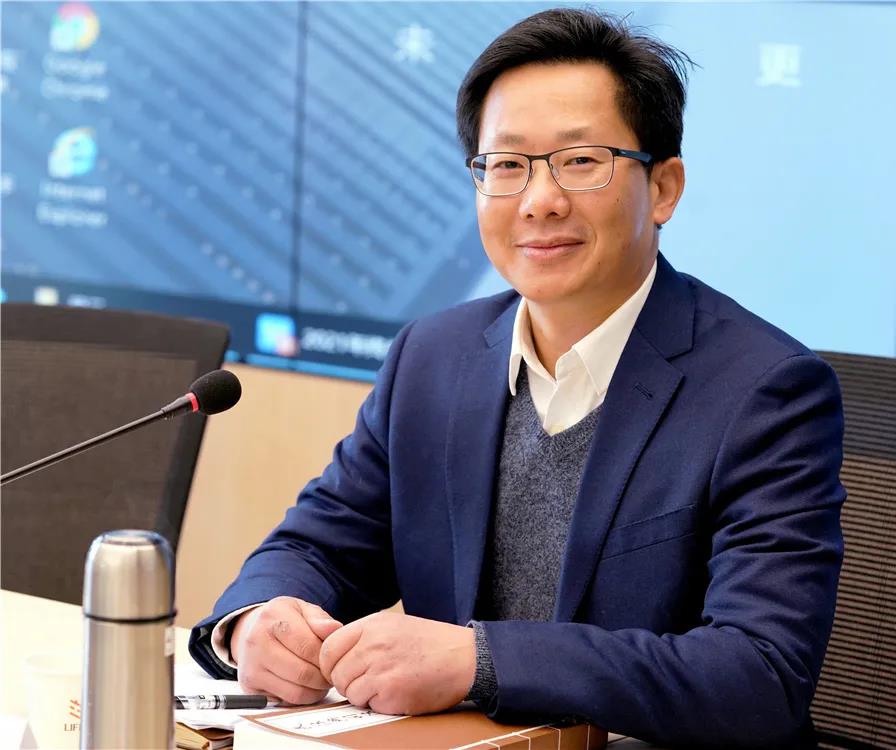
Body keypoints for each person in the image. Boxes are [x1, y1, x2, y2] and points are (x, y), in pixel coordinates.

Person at [189, 8, 846, 748]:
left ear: (664, 188)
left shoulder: (766, 392)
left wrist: (481, 662)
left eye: (581, 161)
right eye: (506, 165)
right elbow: (317, 547)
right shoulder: (431, 357)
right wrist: (258, 619)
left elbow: (759, 675)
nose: (539, 200)